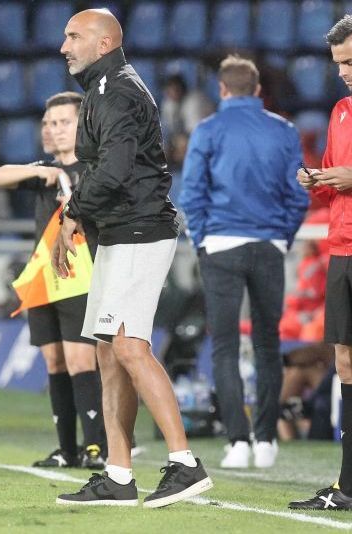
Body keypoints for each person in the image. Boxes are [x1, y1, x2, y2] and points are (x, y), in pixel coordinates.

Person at [52, 9, 212, 507]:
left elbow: (117, 168)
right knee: (108, 348)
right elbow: (105, 166)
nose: (64, 46)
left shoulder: (116, 91)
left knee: (128, 345)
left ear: (104, 43)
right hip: (121, 231)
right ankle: (118, 473)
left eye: (74, 36)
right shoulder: (104, 88)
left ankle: (185, 463)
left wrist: (73, 214)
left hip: (140, 229)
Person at [179, 55, 309, 469]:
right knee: (269, 343)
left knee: (224, 346)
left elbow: (192, 192)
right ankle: (267, 439)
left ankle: (237, 441)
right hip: (268, 244)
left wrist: (203, 238)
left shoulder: (208, 129)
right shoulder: (284, 130)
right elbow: (299, 193)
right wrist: (282, 237)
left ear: (221, 90)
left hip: (220, 245)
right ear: (257, 90)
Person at [0, 92, 107, 471]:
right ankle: (65, 449)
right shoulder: (43, 169)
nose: (53, 130)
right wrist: (39, 172)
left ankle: (95, 446)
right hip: (45, 277)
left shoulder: (95, 168)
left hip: (79, 275)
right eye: (48, 123)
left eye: (62, 122)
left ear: (82, 123)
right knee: (54, 361)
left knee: (79, 358)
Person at [289, 14, 352, 511]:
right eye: (338, 64)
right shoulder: (341, 111)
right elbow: (337, 173)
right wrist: (318, 178)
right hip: (342, 247)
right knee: (345, 360)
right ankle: (347, 484)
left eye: (351, 61)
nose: (345, 72)